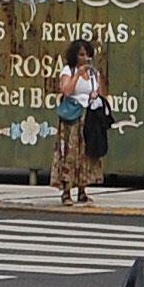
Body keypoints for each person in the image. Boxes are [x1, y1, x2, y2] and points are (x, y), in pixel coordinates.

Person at [50, 38, 105, 208]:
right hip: (72, 117)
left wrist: (96, 94)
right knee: (70, 153)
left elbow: (100, 92)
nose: (85, 58)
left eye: (88, 54)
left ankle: (83, 189)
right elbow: (66, 90)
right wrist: (77, 75)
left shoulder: (94, 74)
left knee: (86, 153)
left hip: (88, 116)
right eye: (82, 54)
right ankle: (66, 190)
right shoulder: (69, 70)